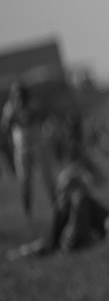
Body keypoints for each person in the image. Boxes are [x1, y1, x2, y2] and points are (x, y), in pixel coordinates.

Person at [7, 164, 109, 259]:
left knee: (77, 200)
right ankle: (35, 249)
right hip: (78, 234)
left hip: (102, 227)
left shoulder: (82, 200)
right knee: (65, 206)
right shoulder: (71, 206)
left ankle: (37, 249)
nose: (60, 196)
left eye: (64, 191)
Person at [1, 81, 56, 219]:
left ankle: (56, 202)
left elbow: (36, 118)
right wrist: (10, 117)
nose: (18, 96)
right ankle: (27, 209)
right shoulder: (9, 108)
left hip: (37, 144)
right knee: (24, 179)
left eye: (20, 93)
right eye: (16, 94)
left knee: (46, 175)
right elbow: (5, 127)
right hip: (21, 148)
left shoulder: (32, 104)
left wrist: (26, 112)